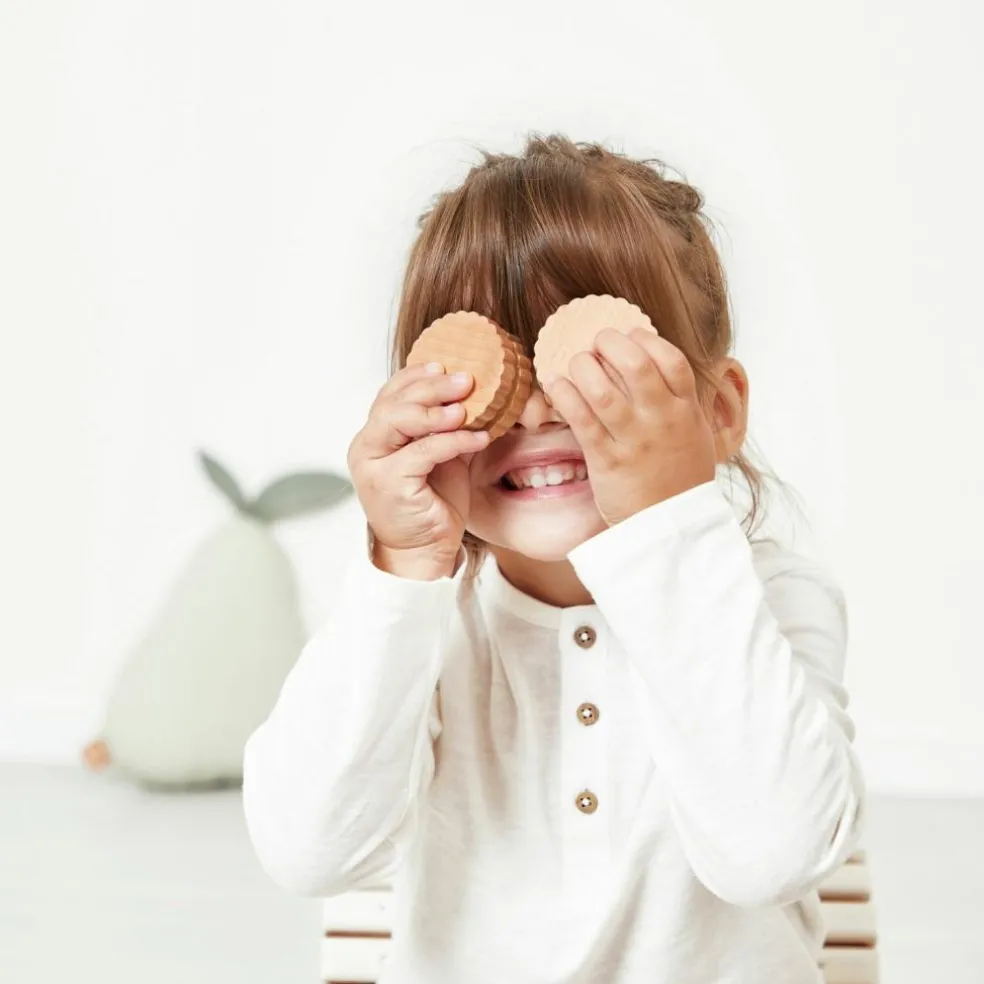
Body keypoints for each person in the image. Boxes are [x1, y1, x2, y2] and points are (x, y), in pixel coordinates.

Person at [242, 132, 865, 983]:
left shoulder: (774, 599)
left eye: (594, 366)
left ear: (717, 413)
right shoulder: (423, 621)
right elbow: (307, 853)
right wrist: (404, 565)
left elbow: (770, 856)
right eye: (491, 365)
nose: (535, 409)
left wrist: (668, 523)